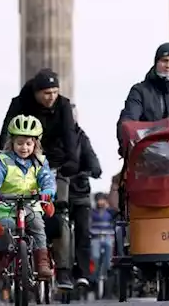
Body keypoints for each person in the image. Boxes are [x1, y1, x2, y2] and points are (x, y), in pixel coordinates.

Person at [0, 115, 58, 280]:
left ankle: (41, 263)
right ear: (12, 143)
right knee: (5, 229)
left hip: (31, 204)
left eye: (28, 143)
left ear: (35, 144)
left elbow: (47, 178)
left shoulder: (40, 162)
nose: (24, 147)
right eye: (20, 143)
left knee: (38, 226)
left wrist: (48, 190)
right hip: (6, 206)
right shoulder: (3, 161)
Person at [67, 107, 103, 290]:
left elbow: (92, 159)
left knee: (82, 231)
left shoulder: (82, 138)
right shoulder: (49, 137)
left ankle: (82, 273)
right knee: (54, 229)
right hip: (56, 191)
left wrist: (93, 170)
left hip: (79, 192)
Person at [89, 193, 117, 299]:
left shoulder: (109, 212)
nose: (100, 202)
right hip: (96, 238)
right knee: (94, 258)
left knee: (108, 260)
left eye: (102, 200)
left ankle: (106, 279)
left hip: (107, 237)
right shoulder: (92, 213)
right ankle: (94, 280)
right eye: (98, 200)